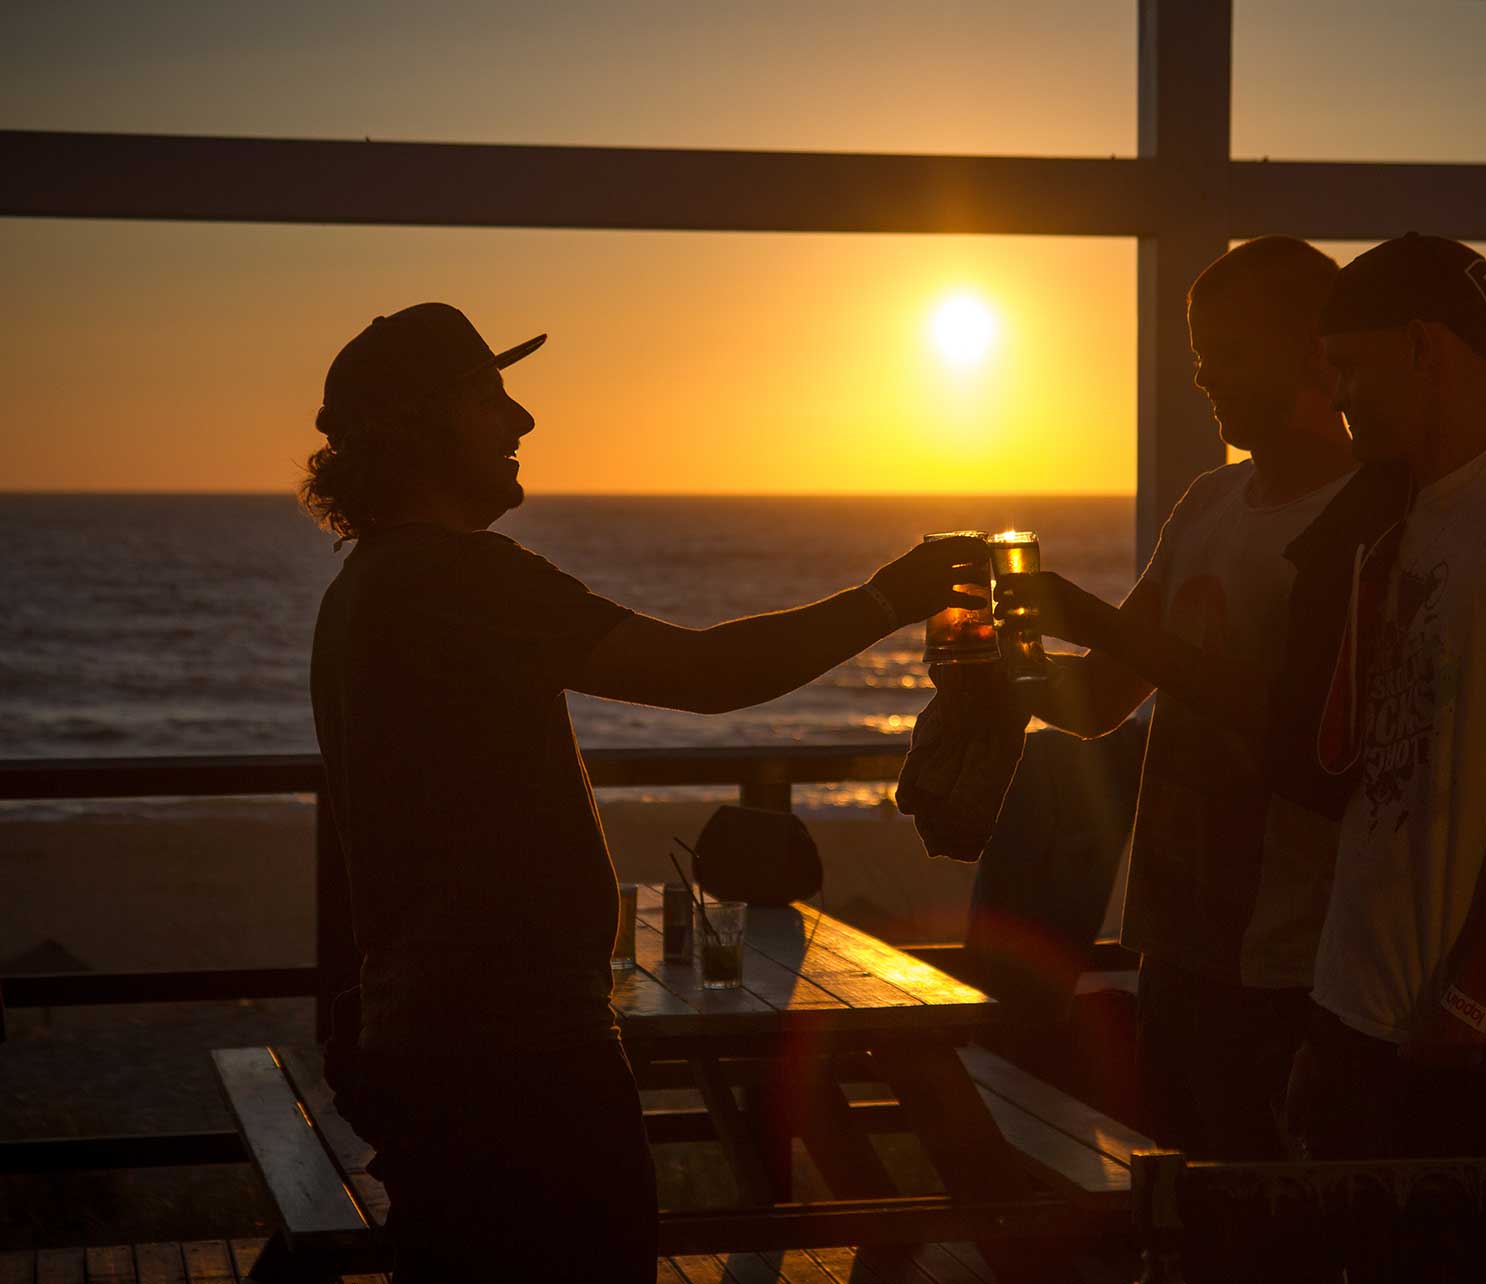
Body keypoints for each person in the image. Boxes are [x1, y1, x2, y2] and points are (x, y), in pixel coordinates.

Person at [300, 303, 985, 1283]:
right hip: (517, 1049)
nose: (522, 418)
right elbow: (708, 674)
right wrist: (888, 598)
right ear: (421, 424)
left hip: (435, 1035)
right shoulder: (461, 578)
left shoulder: (364, 588)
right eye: (490, 395)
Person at [999, 236, 1359, 1170]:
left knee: (1269, 1208)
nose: (1203, 377)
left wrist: (1088, 616)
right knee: (1183, 1204)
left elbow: (1303, 723)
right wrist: (998, 675)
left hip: (1293, 954)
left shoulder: (1369, 516)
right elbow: (1101, 700)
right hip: (1177, 941)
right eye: (1200, 354)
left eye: (1225, 352)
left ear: (1314, 350)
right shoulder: (1210, 503)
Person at [1275, 233, 1486, 1281]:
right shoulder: (1386, 515)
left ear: (1423, 347)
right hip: (1357, 1011)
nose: (1336, 396)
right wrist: (1325, 1016)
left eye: (1348, 366)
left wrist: (1471, 998)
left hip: (1460, 1031)